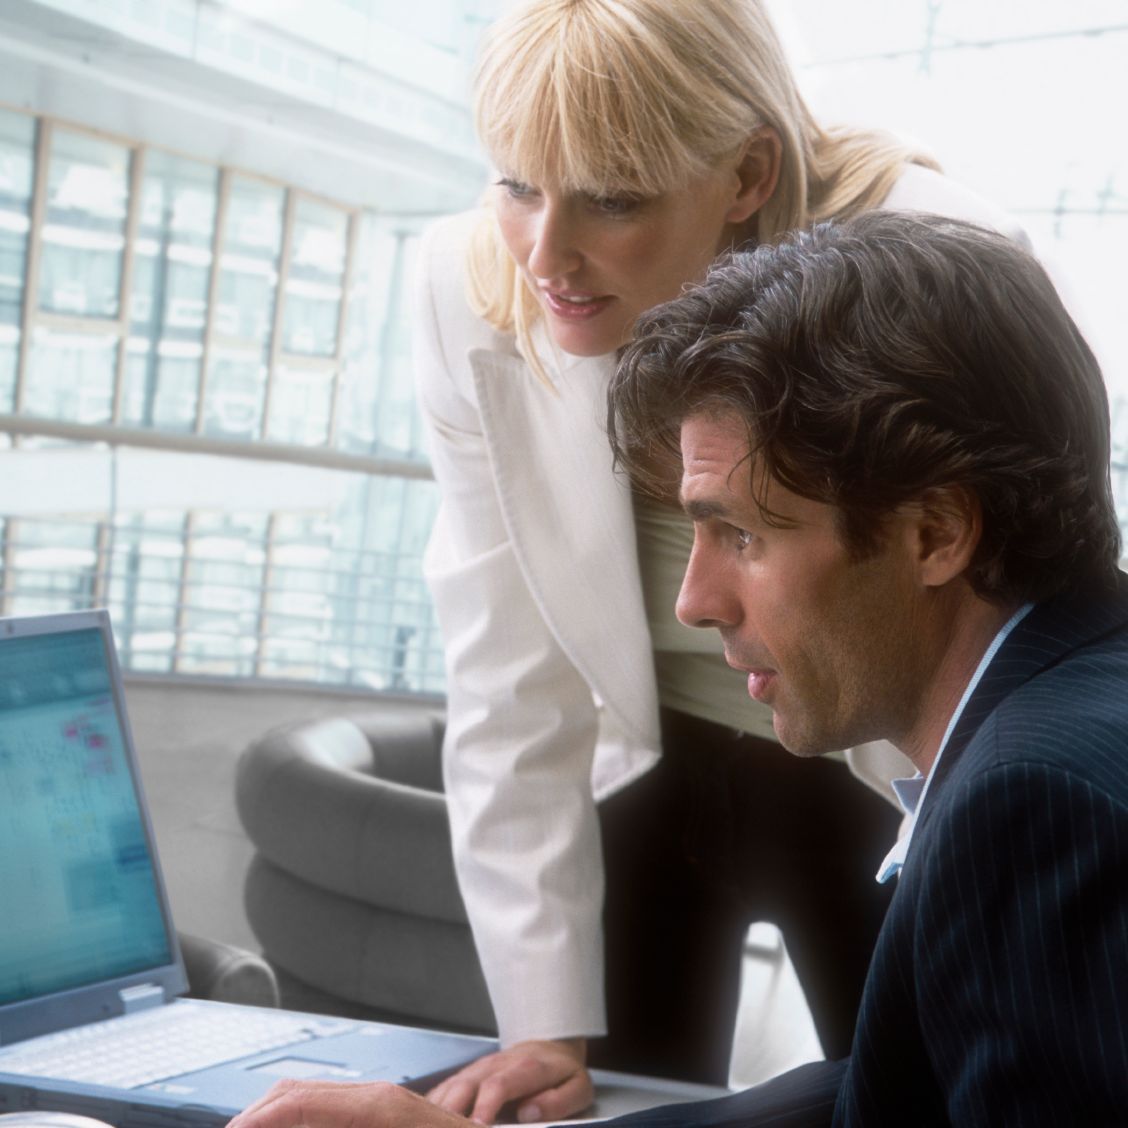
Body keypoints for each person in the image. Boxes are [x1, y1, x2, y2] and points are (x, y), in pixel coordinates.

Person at [227, 211, 1128, 1128]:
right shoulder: (1082, 709)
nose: (694, 602)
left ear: (934, 533)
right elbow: (895, 1095)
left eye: (742, 534)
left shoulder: (1033, 802)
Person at [411, 0, 1029, 1121]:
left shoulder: (944, 269)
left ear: (746, 174)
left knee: (928, 1097)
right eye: (518, 185)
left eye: (613, 198)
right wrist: (541, 1023)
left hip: (889, 758)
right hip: (656, 758)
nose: (545, 254)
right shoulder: (468, 290)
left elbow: (1026, 615)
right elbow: (507, 666)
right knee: (624, 1103)